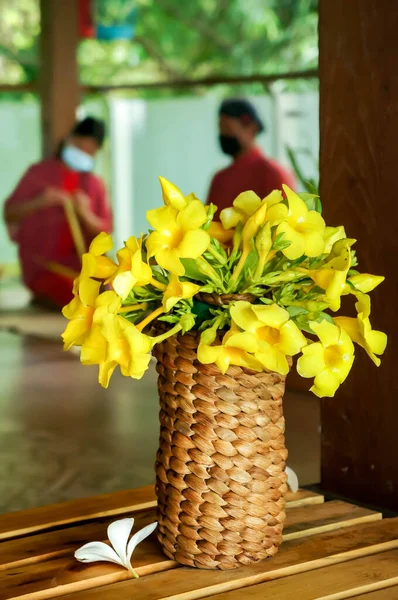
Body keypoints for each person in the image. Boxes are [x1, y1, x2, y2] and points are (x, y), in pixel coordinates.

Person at [4, 116, 112, 309]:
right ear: (69, 140)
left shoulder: (94, 184)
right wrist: (39, 202)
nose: (82, 153)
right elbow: (10, 213)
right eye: (78, 146)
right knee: (82, 296)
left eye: (88, 151)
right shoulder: (38, 174)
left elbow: (105, 232)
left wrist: (85, 214)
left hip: (81, 263)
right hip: (44, 265)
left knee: (113, 287)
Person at [207, 98, 295, 211]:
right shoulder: (219, 179)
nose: (223, 134)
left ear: (252, 128)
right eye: (221, 128)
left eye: (227, 128)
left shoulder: (273, 174)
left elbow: (283, 218)